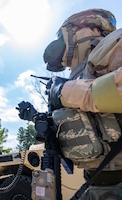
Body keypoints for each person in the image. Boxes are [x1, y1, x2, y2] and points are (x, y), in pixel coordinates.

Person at [19, 8, 122, 200]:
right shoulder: (85, 72)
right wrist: (36, 117)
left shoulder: (115, 44)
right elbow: (85, 123)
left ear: (77, 32)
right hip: (96, 185)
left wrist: (65, 92)